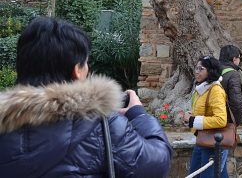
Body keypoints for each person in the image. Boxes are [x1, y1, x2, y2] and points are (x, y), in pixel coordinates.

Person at [0, 17, 172, 177]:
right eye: (86, 62)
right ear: (76, 70)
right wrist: (139, 115)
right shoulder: (103, 126)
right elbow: (157, 163)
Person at [183, 56, 229, 178]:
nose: (197, 71)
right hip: (202, 140)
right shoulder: (202, 88)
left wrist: (193, 120)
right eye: (196, 68)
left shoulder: (215, 90)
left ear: (210, 71)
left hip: (212, 143)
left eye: (201, 69)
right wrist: (190, 118)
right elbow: (204, 111)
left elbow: (221, 119)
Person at [219, 45, 242, 125]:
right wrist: (236, 121)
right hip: (224, 118)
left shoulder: (212, 70)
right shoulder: (233, 74)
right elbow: (236, 102)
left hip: (209, 117)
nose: (239, 60)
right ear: (234, 59)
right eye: (239, 57)